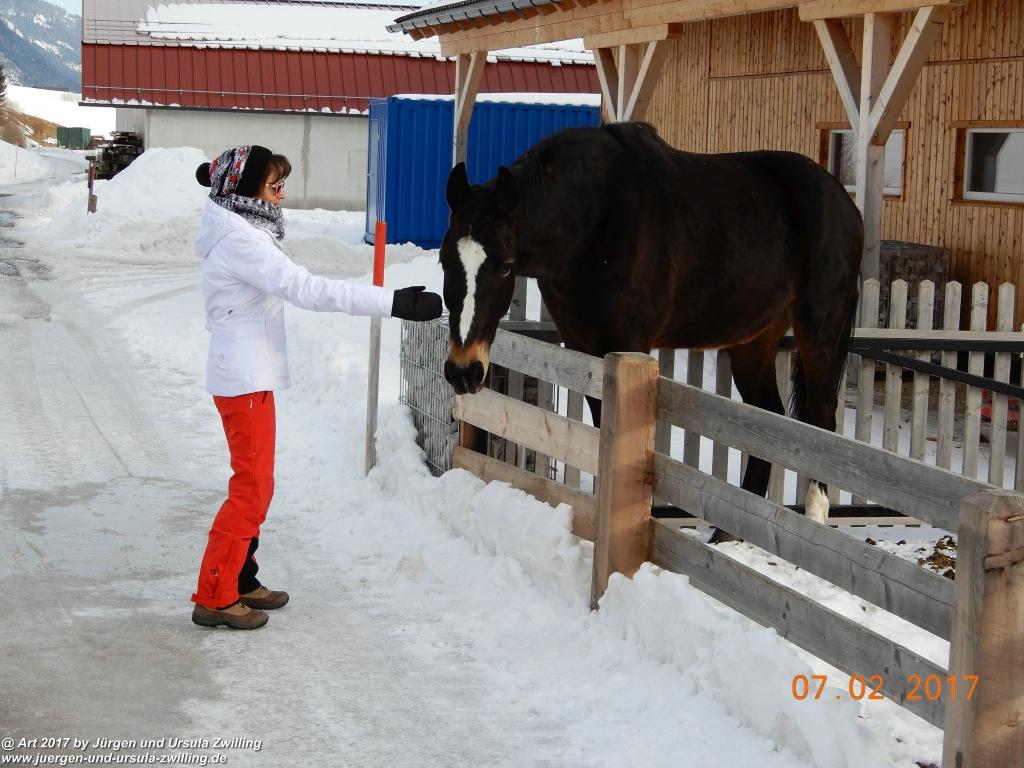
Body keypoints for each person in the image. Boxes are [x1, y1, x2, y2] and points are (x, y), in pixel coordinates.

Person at [190, 145, 442, 630]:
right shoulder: (242, 242)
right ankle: (214, 593)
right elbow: (308, 290)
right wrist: (393, 302)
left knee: (257, 486)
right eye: (274, 186)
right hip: (243, 378)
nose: (282, 195)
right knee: (251, 488)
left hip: (249, 375)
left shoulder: (240, 227)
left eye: (284, 183)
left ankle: (240, 578)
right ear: (245, 192)